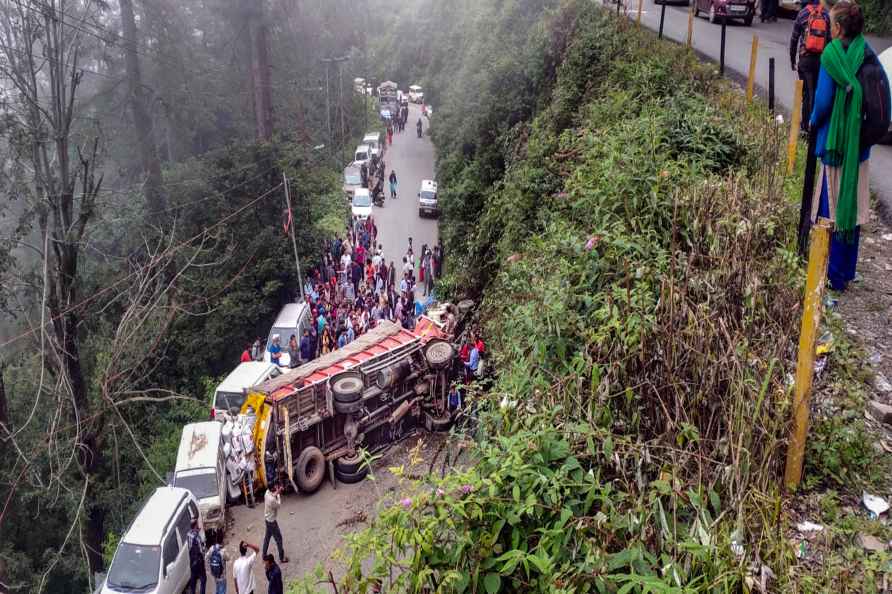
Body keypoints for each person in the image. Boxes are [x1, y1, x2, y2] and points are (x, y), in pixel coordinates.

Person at [809, 0, 888, 291]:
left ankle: (831, 272)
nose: (829, 30)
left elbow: (823, 102)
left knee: (830, 209)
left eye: (832, 24)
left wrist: (813, 121)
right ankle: (846, 271)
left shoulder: (832, 56)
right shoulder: (866, 53)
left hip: (835, 146)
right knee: (851, 209)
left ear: (839, 27)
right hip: (859, 148)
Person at [791, 0, 831, 133]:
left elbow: (794, 38)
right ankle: (814, 124)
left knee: (807, 93)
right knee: (817, 91)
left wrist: (792, 59)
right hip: (821, 60)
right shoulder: (826, 14)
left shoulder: (802, 14)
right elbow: (830, 39)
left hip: (805, 60)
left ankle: (804, 126)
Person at [262, 483, 289, 564]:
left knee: (267, 538)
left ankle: (263, 555)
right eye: (275, 487)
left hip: (267, 519)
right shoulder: (272, 500)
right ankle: (282, 558)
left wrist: (277, 491)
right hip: (272, 522)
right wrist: (279, 494)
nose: (276, 487)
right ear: (272, 488)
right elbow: (278, 505)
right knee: (279, 539)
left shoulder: (267, 492)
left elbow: (273, 494)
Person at [186, 519, 207, 594]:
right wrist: (204, 546)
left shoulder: (188, 534)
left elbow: (190, 547)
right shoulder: (197, 537)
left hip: (192, 562)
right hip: (199, 562)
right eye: (197, 525)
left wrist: (196, 531)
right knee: (203, 579)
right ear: (195, 526)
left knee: (193, 580)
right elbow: (202, 551)